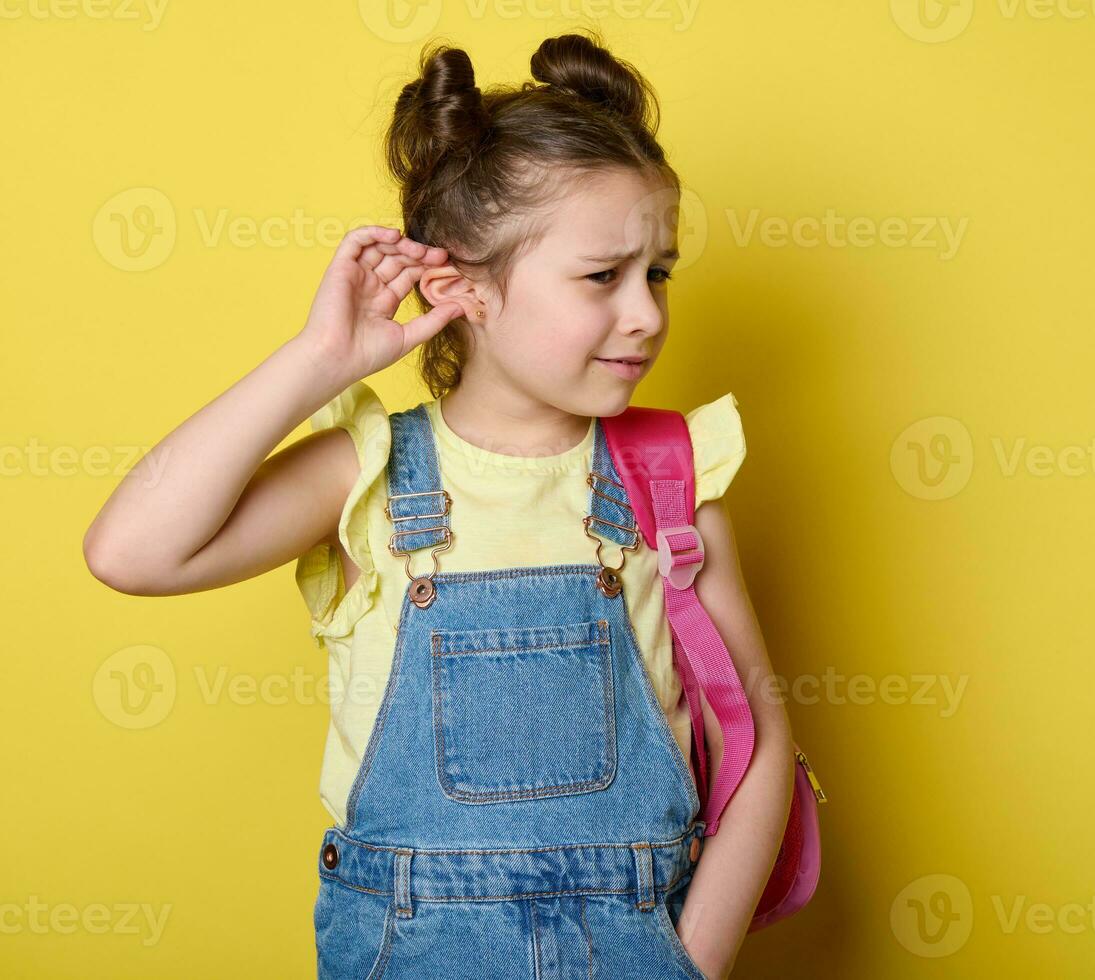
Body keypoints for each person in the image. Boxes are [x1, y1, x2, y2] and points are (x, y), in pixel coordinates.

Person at [83, 30, 794, 979]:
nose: (647, 314)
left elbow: (761, 733)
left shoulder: (670, 478)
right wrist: (316, 364)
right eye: (601, 277)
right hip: (405, 949)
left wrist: (691, 963)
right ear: (462, 288)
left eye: (658, 273)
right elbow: (131, 552)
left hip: (639, 945)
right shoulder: (369, 473)